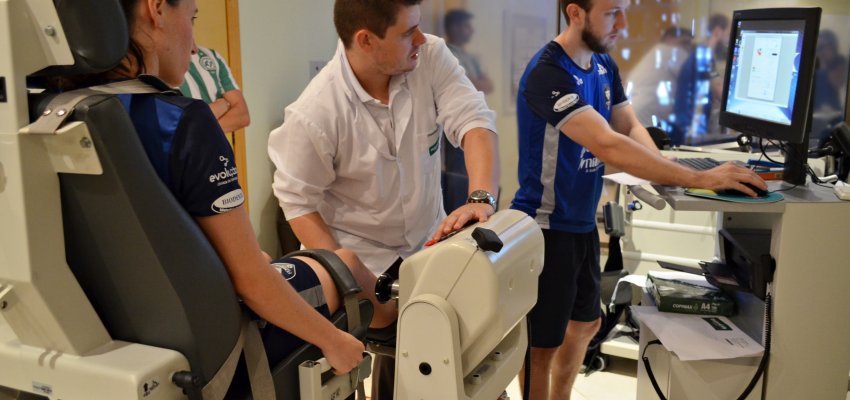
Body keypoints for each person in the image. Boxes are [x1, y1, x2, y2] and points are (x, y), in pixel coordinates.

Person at [50, 0, 397, 376]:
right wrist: (334, 342)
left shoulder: (47, 115)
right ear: (156, 9)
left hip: (111, 334)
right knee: (343, 263)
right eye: (192, 18)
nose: (195, 46)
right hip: (214, 343)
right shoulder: (181, 122)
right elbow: (249, 281)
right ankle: (397, 333)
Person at [510, 1, 766, 399]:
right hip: (546, 226)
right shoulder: (549, 74)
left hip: (580, 223)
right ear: (576, 13)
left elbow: (627, 124)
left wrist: (664, 171)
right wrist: (699, 177)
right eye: (613, 12)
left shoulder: (602, 64)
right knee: (542, 347)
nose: (624, 24)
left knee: (586, 324)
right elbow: (607, 143)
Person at [267, 0, 500, 397]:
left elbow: (475, 121)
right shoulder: (315, 113)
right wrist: (352, 283)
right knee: (413, 354)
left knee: (467, 369)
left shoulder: (429, 56)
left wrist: (480, 197)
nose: (421, 39)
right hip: (365, 262)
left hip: (428, 247)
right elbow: (298, 203)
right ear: (366, 40)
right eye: (408, 31)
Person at [441, 8, 495, 213]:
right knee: (458, 177)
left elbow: (488, 84)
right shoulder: (445, 54)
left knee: (474, 175)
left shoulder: (469, 57)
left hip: (473, 121)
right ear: (454, 27)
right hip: (452, 129)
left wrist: (474, 83)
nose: (471, 30)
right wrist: (474, 82)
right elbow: (469, 85)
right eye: (466, 25)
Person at [672, 13, 730, 144]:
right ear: (718, 32)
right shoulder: (704, 55)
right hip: (690, 127)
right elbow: (719, 92)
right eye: (727, 34)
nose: (728, 39)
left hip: (687, 123)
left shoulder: (699, 52)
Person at [626, 26, 693, 133]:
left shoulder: (656, 52)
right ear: (669, 38)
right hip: (646, 114)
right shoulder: (669, 51)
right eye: (683, 42)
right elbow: (698, 74)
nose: (687, 47)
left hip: (635, 111)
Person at [179, 43, 250, 133]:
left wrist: (199, 131)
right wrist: (219, 107)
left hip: (212, 146)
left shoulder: (212, 56)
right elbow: (181, 126)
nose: (194, 48)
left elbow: (242, 116)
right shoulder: (159, 66)